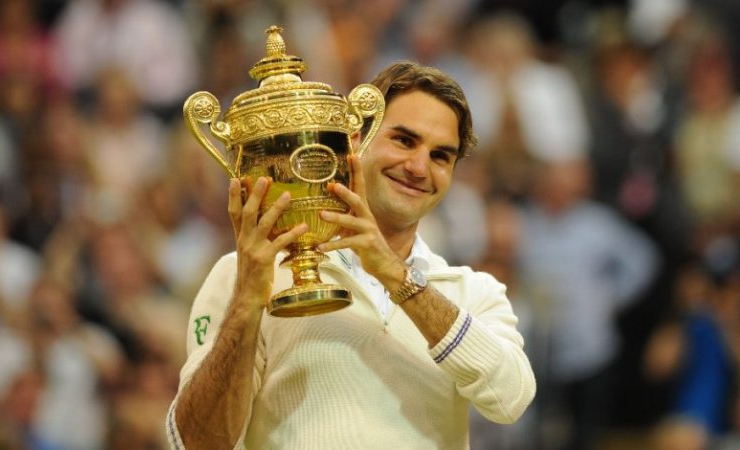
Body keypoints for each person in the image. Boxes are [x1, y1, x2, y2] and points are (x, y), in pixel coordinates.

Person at [165, 61, 536, 449]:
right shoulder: (249, 274)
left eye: (441, 156)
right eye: (404, 140)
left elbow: (510, 400)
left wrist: (398, 277)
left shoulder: (473, 292)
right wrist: (245, 304)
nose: (418, 167)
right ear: (355, 140)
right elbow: (195, 444)